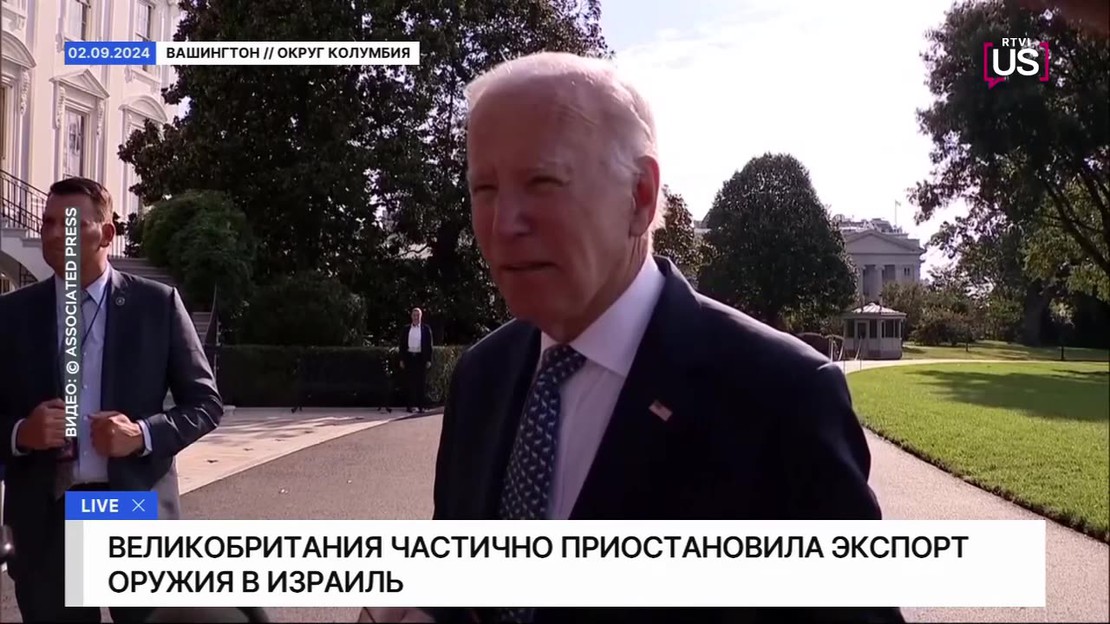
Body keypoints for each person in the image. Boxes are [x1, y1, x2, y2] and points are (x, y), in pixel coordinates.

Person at [364, 52, 903, 624]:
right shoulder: (482, 375)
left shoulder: (782, 398)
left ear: (640, 196)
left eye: (542, 182)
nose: (504, 224)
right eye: (485, 189)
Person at [0, 177, 223, 623]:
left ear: (106, 234)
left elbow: (205, 403)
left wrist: (141, 435)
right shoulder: (11, 314)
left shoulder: (156, 305)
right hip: (47, 517)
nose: (51, 235)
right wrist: (22, 433)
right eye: (46, 223)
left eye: (67, 225)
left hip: (128, 509)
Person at [398, 307, 434, 413]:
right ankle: (410, 406)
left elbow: (429, 345)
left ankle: (421, 406)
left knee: (421, 382)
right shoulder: (406, 329)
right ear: (411, 316)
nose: (416, 317)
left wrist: (428, 359)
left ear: (421, 317)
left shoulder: (425, 329)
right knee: (409, 383)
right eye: (414, 315)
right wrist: (401, 359)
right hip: (409, 357)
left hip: (420, 358)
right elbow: (402, 345)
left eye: (418, 315)